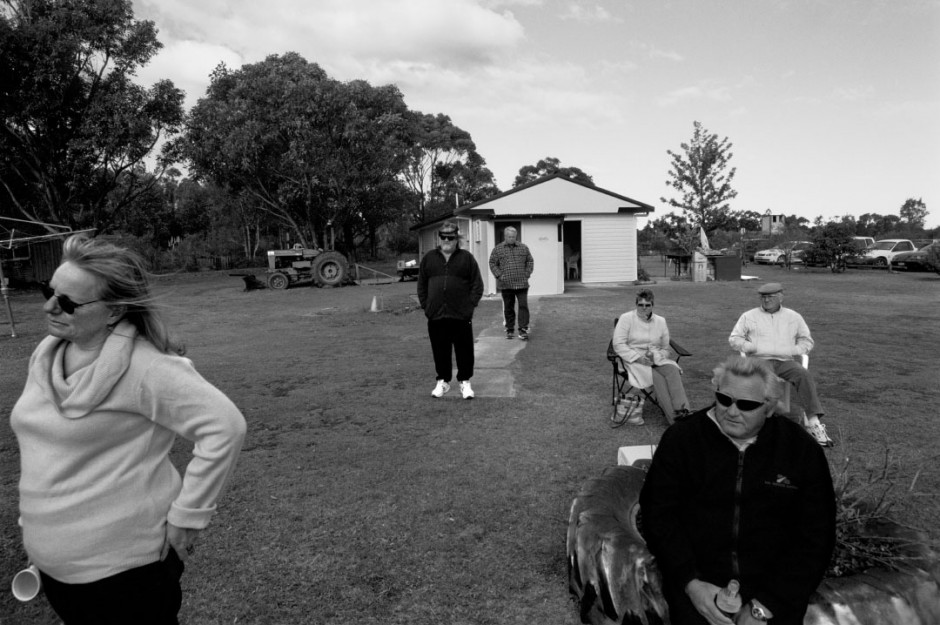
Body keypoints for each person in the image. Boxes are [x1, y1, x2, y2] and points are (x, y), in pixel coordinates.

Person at [10, 235, 247, 625]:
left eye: (68, 302)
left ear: (115, 311)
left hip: (123, 579)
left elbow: (225, 426)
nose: (48, 306)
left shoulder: (147, 368)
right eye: (48, 291)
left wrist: (187, 517)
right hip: (55, 570)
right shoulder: (47, 353)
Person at [639, 356, 836, 625]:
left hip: (774, 593)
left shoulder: (800, 451)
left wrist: (767, 605)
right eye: (724, 399)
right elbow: (658, 515)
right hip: (699, 585)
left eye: (746, 405)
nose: (732, 411)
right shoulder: (682, 440)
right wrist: (690, 583)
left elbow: (816, 536)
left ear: (769, 408)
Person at [729, 282, 833, 447]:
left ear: (780, 297)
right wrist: (751, 347)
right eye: (763, 297)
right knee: (765, 380)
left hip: (785, 361)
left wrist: (794, 349)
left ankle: (813, 423)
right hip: (759, 360)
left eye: (770, 297)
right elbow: (734, 339)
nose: (766, 300)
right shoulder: (749, 316)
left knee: (803, 374)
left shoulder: (793, 317)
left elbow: (807, 340)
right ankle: (757, 422)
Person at [417, 221, 484, 400]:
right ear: (439, 238)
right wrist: (427, 306)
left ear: (457, 238)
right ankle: (443, 381)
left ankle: (465, 382)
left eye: (451, 237)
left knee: (464, 350)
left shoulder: (467, 258)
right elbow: (421, 285)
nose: (447, 240)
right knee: (440, 350)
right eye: (443, 237)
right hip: (436, 315)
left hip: (460, 315)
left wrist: (468, 307)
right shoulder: (429, 258)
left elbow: (477, 286)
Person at [612, 289, 690, 425]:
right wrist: (638, 358)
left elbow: (666, 348)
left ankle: (685, 413)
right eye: (640, 305)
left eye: (647, 305)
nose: (643, 308)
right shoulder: (626, 318)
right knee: (658, 378)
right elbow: (618, 344)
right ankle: (675, 422)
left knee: (673, 371)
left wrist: (659, 356)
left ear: (652, 305)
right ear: (636, 305)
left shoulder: (660, 321)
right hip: (634, 359)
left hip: (656, 358)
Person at [488, 226, 534, 340]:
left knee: (523, 306)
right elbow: (492, 263)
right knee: (509, 307)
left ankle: (523, 330)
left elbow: (530, 261)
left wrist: (527, 273)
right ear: (505, 236)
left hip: (522, 284)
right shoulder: (498, 249)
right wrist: (499, 275)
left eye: (513, 237)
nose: (511, 238)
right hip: (506, 284)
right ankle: (510, 329)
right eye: (509, 236)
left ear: (516, 236)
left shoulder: (523, 248)